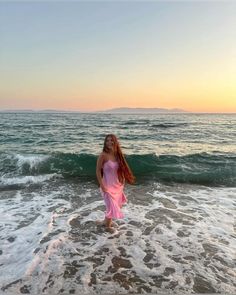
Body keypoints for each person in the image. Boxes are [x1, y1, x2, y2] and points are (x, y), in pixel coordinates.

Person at [96, 134, 135, 233]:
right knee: (110, 206)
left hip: (117, 185)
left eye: (111, 140)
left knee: (115, 205)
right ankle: (107, 228)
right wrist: (102, 185)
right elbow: (97, 171)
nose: (109, 142)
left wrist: (123, 179)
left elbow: (120, 169)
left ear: (115, 142)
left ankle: (105, 222)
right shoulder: (103, 155)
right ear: (105, 142)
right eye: (107, 140)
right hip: (107, 185)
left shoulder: (117, 155)